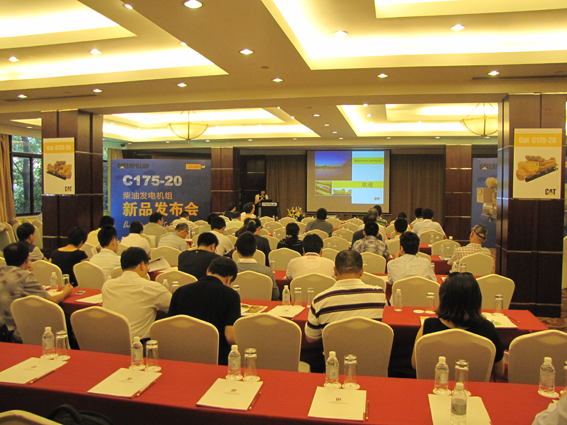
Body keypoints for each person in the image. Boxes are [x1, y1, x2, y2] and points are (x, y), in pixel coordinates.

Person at [410, 272, 505, 377]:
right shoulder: (488, 329)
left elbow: (415, 364)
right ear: (477, 299)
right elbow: (499, 371)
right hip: (475, 387)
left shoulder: (429, 326)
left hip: (435, 385)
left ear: (443, 298)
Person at [167, 257, 240, 365]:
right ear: (229, 279)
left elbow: (169, 327)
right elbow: (230, 337)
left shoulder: (180, 291)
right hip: (216, 357)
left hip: (180, 353)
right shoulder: (231, 295)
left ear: (207, 271)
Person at [305, 250, 386, 343]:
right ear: (362, 271)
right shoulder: (379, 294)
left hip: (334, 352)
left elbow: (311, 338)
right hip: (371, 351)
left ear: (335, 271)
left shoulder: (320, 300)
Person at [0, 242, 73, 342]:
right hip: (11, 332)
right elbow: (53, 300)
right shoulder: (24, 276)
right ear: (27, 259)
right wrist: (66, 291)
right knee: (63, 316)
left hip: (3, 328)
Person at [102, 247, 171, 341]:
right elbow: (173, 307)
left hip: (109, 341)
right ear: (142, 265)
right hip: (138, 345)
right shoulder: (152, 288)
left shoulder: (107, 286)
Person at [235, 232, 279, 301]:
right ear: (256, 249)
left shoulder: (229, 272)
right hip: (263, 307)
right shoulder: (267, 272)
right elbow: (275, 295)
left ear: (237, 250)